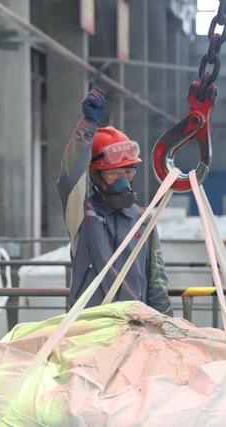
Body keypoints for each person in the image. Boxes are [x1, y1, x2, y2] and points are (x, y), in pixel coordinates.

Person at [57, 83, 173, 315]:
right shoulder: (83, 216)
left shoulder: (143, 220)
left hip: (135, 329)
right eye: (113, 173)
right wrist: (87, 126)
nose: (123, 181)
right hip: (92, 330)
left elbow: (157, 280)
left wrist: (166, 326)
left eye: (128, 172)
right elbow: (70, 179)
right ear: (94, 175)